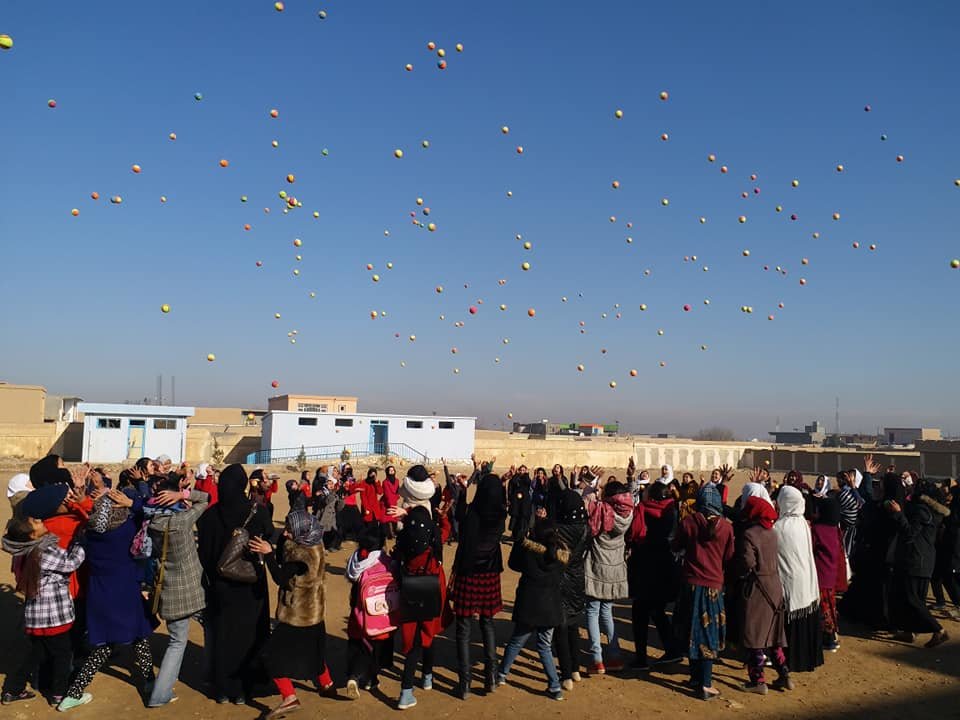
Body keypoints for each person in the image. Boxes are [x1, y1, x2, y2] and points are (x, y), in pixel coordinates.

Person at [60, 489, 159, 711]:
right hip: (124, 591)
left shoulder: (89, 532)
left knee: (103, 645)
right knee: (139, 637)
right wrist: (132, 502)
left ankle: (74, 693)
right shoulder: (125, 530)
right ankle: (150, 683)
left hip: (100, 593)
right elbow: (149, 511)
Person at [2, 487, 86, 708]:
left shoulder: (22, 549)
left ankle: (13, 689)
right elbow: (71, 563)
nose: (41, 522)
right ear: (32, 535)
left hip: (35, 615)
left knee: (34, 653)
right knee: (62, 655)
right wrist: (79, 544)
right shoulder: (43, 552)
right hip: (54, 616)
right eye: (37, 523)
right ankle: (59, 694)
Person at [197, 464, 273, 704]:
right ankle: (243, 689)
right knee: (249, 636)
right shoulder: (258, 513)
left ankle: (222, 689)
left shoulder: (209, 516)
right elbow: (269, 539)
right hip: (251, 586)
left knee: (223, 636)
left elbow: (205, 556)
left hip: (221, 587)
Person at [250, 510, 332, 718]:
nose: (285, 534)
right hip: (314, 611)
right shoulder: (314, 542)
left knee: (270, 656)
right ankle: (327, 684)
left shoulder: (301, 556)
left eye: (289, 530)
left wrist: (268, 553)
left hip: (297, 614)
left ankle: (289, 697)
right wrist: (282, 542)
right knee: (314, 650)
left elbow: (280, 577)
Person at [145, 478, 211, 707]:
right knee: (209, 631)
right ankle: (211, 675)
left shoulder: (152, 524)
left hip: (169, 591)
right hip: (194, 589)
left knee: (176, 642)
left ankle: (159, 694)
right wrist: (184, 495)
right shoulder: (181, 521)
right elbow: (206, 499)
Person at [671, 484, 734, 701]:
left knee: (691, 629)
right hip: (713, 587)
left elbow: (677, 545)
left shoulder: (688, 522)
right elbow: (728, 556)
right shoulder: (726, 527)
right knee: (708, 634)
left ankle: (695, 677)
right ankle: (706, 683)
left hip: (690, 584)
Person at [496, 521, 568, 701]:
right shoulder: (559, 557)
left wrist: (520, 542)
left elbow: (514, 564)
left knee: (516, 641)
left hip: (529, 604)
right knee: (544, 646)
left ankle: (501, 674)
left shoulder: (529, 552)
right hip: (550, 607)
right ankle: (554, 686)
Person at [451, 471, 506, 698]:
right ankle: (490, 677)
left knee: (463, 628)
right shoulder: (501, 515)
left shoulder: (474, 513)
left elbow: (460, 521)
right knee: (488, 624)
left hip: (469, 572)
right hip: (489, 572)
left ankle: (464, 684)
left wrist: (463, 493)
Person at [736, 483, 790, 695]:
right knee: (774, 635)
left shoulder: (750, 534)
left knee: (754, 637)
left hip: (758, 589)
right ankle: (784, 674)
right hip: (775, 585)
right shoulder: (773, 533)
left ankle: (758, 680)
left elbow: (747, 564)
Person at [886, 480, 951, 648]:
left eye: (913, 488)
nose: (910, 489)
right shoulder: (931, 511)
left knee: (912, 599)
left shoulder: (921, 511)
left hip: (916, 560)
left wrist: (898, 514)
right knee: (914, 599)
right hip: (924, 560)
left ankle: (939, 630)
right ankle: (910, 632)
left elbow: (909, 534)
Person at [394, 504, 446, 710]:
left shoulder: (404, 553)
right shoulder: (432, 555)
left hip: (410, 597)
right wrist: (441, 519)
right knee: (427, 638)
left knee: (413, 643)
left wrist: (407, 515)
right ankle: (425, 678)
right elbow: (444, 530)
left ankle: (411, 687)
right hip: (430, 597)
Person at [629, 479, 682, 669]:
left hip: (647, 565)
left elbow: (635, 533)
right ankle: (672, 649)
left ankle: (641, 658)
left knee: (640, 611)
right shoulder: (672, 510)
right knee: (657, 610)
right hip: (666, 565)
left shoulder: (643, 510)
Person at [583, 479, 633, 674]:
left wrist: (590, 487)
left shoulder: (601, 511)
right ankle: (614, 656)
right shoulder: (627, 513)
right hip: (615, 568)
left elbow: (586, 509)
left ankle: (597, 659)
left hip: (597, 566)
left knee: (592, 612)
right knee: (606, 612)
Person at [774, 486, 823, 672]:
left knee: (792, 624)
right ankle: (809, 658)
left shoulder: (779, 527)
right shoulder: (803, 523)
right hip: (807, 580)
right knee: (806, 620)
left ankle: (792, 659)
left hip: (789, 581)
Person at [344, 524, 396, 699]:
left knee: (356, 644)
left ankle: (353, 676)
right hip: (379, 614)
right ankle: (370, 678)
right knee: (376, 649)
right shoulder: (385, 562)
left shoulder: (356, 561)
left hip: (358, 610)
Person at [554, 489, 590, 689]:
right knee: (574, 627)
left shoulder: (557, 529)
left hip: (560, 580)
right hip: (577, 580)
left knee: (561, 629)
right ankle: (575, 669)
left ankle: (566, 674)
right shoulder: (586, 528)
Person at [811, 493, 844, 652]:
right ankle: (833, 635)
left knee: (823, 609)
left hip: (820, 573)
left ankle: (829, 638)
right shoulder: (835, 530)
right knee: (831, 606)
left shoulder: (817, 529)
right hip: (831, 574)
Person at [932, 484, 960, 619]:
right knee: (944, 575)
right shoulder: (952, 505)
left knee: (950, 576)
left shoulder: (955, 507)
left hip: (954, 545)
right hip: (947, 544)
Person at [507, 468, 533, 543]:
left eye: (523, 470)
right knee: (515, 518)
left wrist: (526, 474)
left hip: (524, 503)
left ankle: (522, 535)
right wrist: (516, 474)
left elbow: (528, 482)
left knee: (523, 519)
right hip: (516, 502)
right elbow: (513, 482)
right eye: (521, 470)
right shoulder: (516, 477)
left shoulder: (526, 478)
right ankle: (514, 535)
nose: (522, 471)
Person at [381, 465, 401, 539]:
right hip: (387, 503)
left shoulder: (397, 481)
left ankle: (394, 533)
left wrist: (396, 498)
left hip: (394, 501)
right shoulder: (385, 482)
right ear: (387, 472)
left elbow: (398, 491)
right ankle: (388, 535)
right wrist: (391, 504)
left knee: (394, 519)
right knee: (386, 520)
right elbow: (387, 494)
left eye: (393, 470)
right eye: (390, 470)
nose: (391, 471)